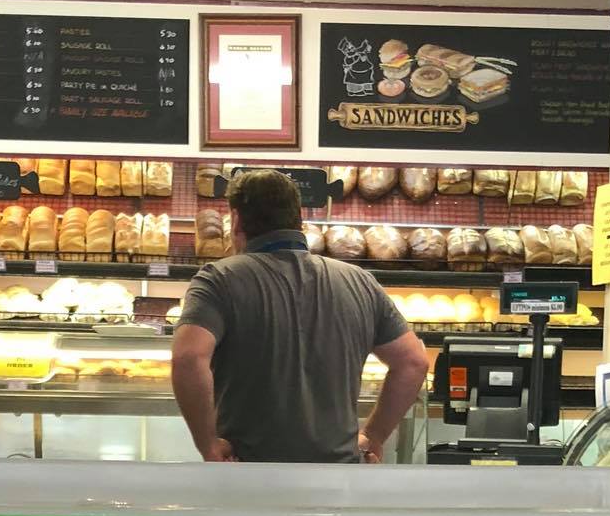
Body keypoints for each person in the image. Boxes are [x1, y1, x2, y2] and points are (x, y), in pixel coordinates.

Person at [170, 168, 430, 463]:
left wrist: (208, 445)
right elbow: (413, 362)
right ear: (299, 220)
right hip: (338, 474)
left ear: (237, 220)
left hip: (247, 472)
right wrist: (374, 436)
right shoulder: (359, 281)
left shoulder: (219, 279)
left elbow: (188, 358)